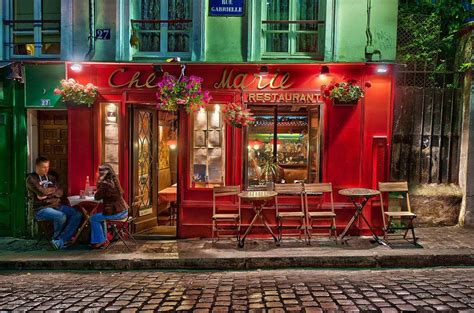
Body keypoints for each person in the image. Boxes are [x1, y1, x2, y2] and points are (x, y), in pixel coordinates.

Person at [26, 156, 82, 249]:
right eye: (44, 167)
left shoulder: (51, 177)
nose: (46, 169)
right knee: (60, 216)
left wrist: (47, 193)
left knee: (77, 214)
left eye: (47, 167)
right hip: (41, 209)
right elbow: (41, 192)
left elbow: (60, 192)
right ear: (37, 166)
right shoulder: (31, 179)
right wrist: (52, 191)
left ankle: (60, 240)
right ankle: (56, 240)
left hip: (56, 205)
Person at [90, 163, 129, 249]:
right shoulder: (115, 180)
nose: (98, 173)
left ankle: (100, 241)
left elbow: (97, 197)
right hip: (124, 211)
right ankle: (103, 239)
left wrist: (99, 182)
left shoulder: (105, 184)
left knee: (93, 218)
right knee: (101, 217)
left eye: (99, 171)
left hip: (117, 213)